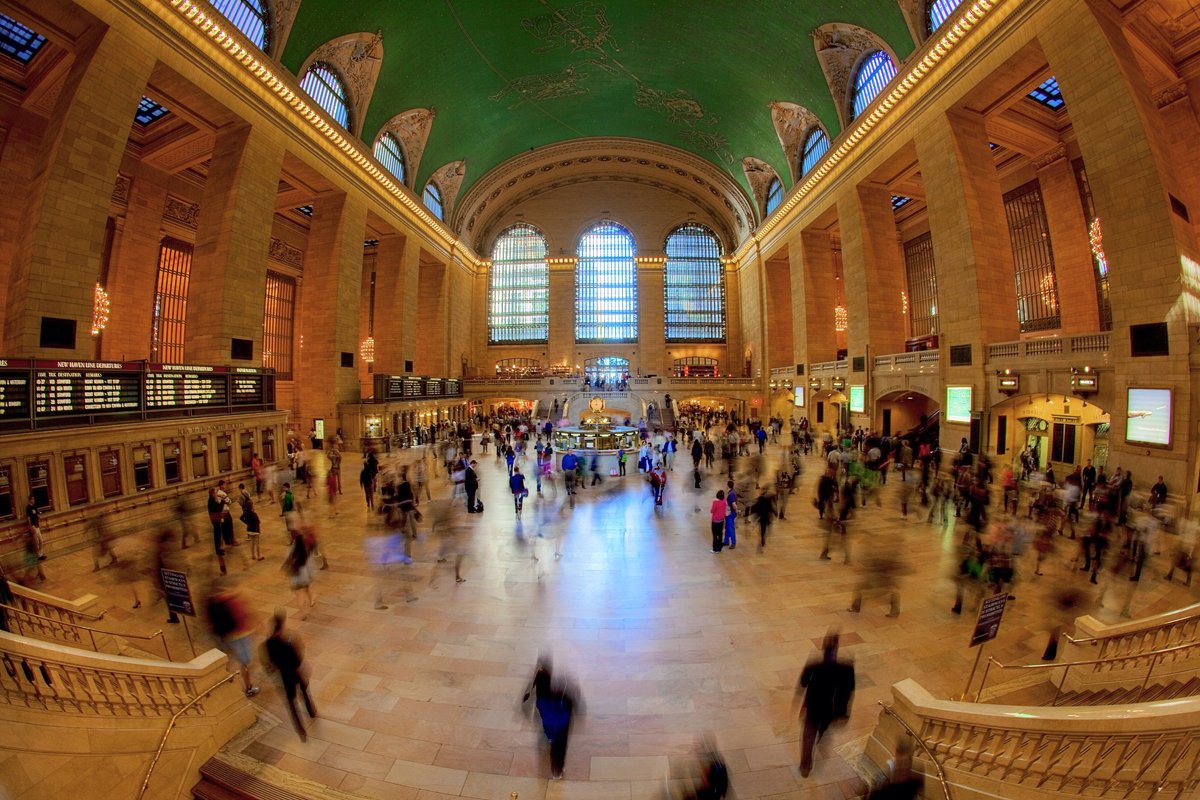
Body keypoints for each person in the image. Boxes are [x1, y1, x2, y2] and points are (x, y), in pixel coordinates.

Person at [793, 633, 855, 778]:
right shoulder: (846, 668)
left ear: (823, 646)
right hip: (831, 710)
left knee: (808, 736)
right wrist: (844, 712)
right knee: (823, 729)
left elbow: (803, 682)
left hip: (814, 708)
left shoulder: (814, 664)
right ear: (837, 647)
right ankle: (820, 738)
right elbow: (849, 691)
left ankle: (805, 765)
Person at [263, 609, 318, 741]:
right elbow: (299, 655)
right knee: (304, 692)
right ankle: (311, 711)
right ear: (282, 625)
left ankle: (300, 729)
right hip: (296, 672)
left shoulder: (268, 643)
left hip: (284, 675)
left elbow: (269, 663)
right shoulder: (289, 639)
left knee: (291, 703)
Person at [206, 582, 260, 697]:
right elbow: (243, 616)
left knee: (228, 658)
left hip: (224, 636)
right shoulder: (231, 601)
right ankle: (248, 688)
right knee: (245, 663)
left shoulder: (211, 601)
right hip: (239, 635)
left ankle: (225, 678)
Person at [25, 495, 45, 561]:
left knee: (41, 540)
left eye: (34, 499)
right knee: (36, 541)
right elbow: (28, 518)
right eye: (33, 499)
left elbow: (37, 514)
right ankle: (38, 555)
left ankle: (41, 554)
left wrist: (39, 519)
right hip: (33, 526)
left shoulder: (34, 506)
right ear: (30, 500)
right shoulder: (28, 508)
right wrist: (30, 527)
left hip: (37, 525)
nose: (34, 500)